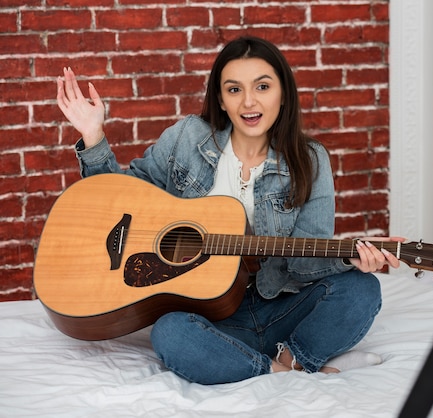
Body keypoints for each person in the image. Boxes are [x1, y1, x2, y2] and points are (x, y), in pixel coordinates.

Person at [56, 36, 403, 385]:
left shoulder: (311, 159)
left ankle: (287, 356)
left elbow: (304, 260)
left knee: (362, 289)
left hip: (279, 306)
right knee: (170, 334)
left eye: (263, 86)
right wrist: (93, 135)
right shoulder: (186, 138)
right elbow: (117, 200)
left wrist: (349, 257)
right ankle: (289, 369)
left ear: (282, 93)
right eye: (234, 89)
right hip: (209, 316)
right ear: (220, 99)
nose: (249, 102)